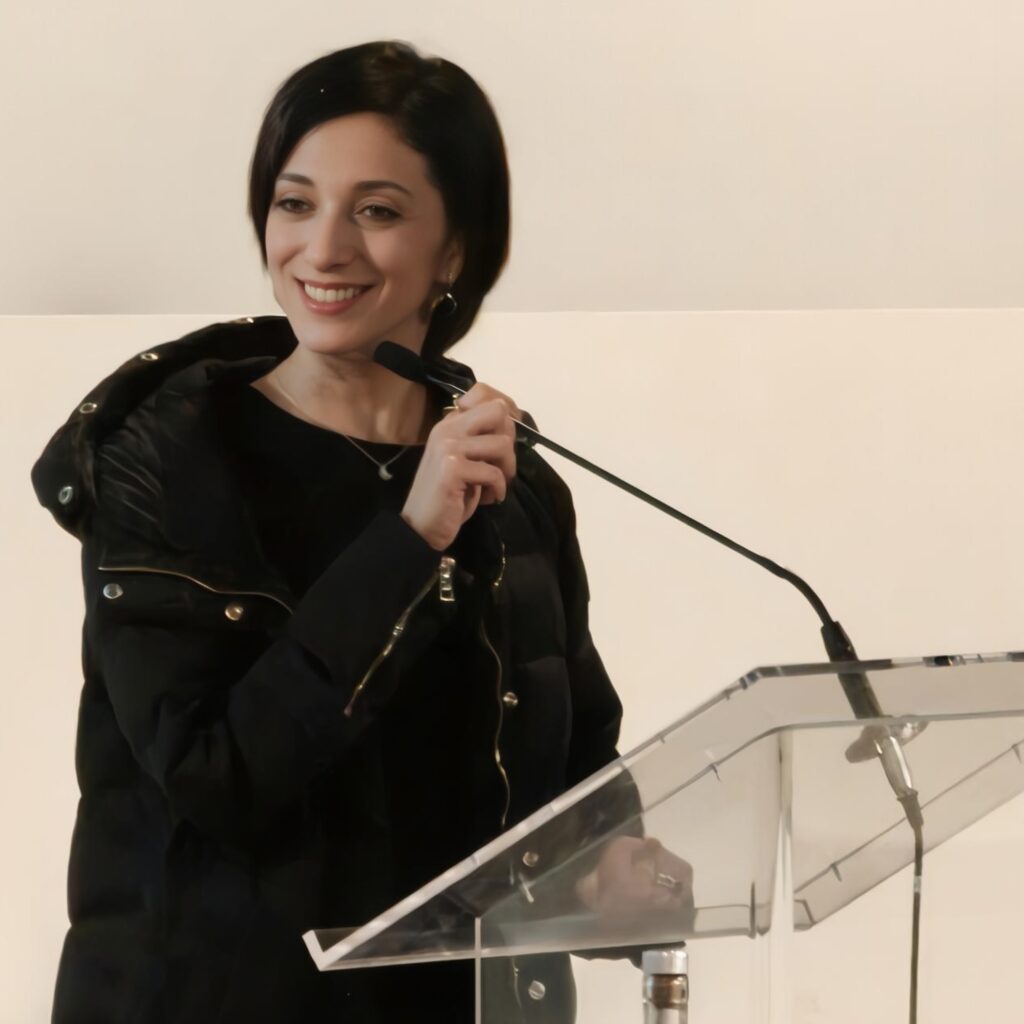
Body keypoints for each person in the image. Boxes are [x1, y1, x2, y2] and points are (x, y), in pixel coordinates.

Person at [32, 39, 676, 1024]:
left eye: (375, 211)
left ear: (455, 249)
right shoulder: (170, 461)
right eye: (295, 204)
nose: (323, 249)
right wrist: (410, 539)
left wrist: (612, 869)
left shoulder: (513, 483)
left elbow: (571, 763)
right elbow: (218, 779)